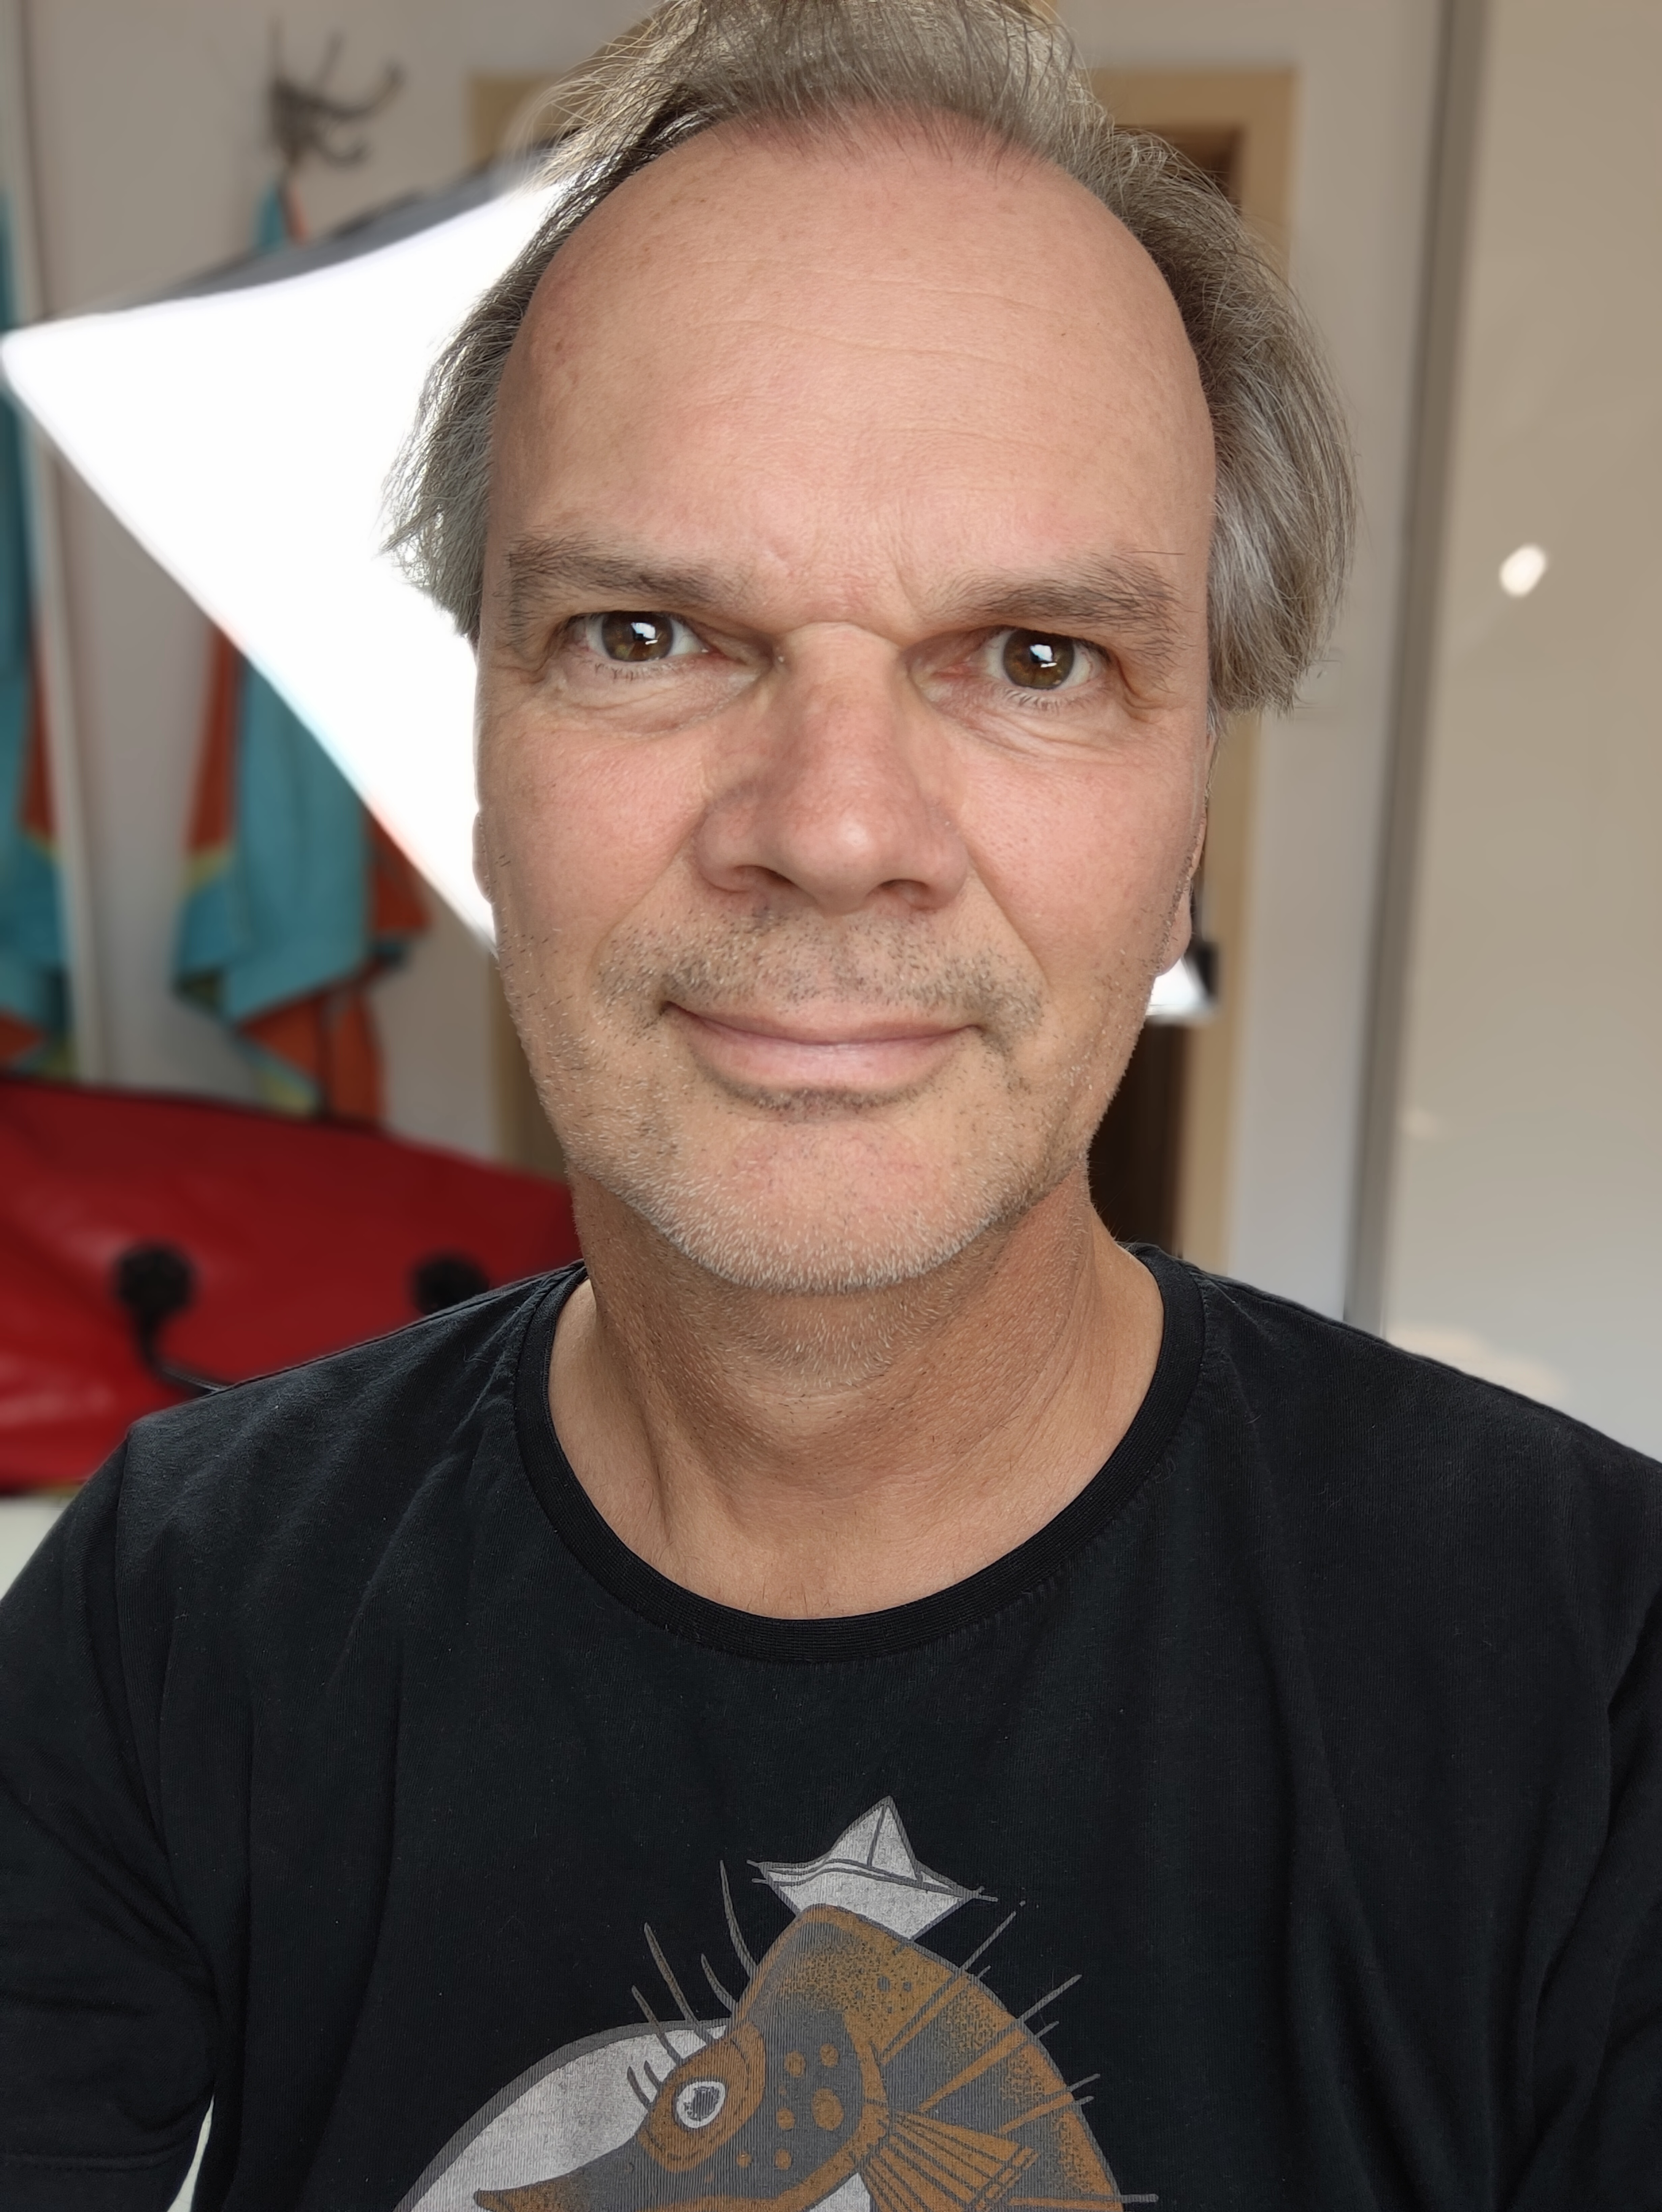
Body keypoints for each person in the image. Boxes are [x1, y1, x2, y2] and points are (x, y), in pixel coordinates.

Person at [2, 1, 1657, 2206]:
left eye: (1036, 657)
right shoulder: (173, 1603)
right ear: (483, 767)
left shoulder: (1599, 1672)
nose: (834, 827)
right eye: (648, 633)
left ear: (1186, 829)